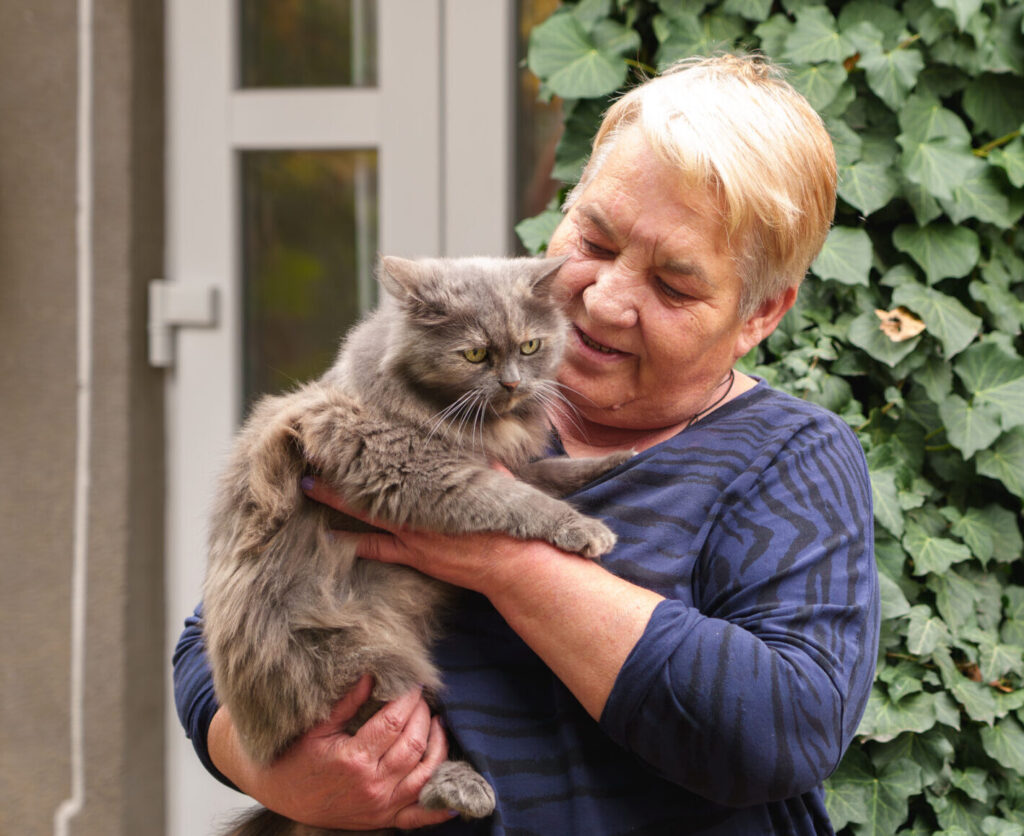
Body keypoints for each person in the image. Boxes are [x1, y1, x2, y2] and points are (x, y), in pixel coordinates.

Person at [174, 53, 880, 835]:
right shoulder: (437, 382)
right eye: (597, 242)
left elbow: (783, 731)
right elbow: (214, 640)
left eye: (674, 287)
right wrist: (276, 771)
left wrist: (503, 555)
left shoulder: (790, 459)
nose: (607, 303)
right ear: (565, 209)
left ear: (759, 315)